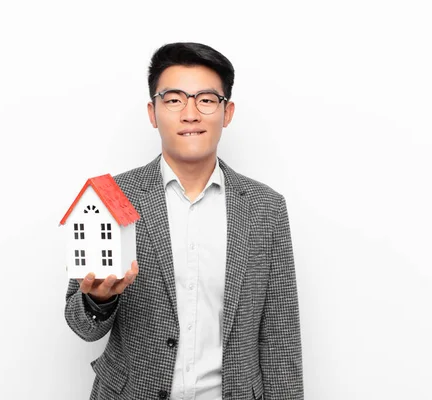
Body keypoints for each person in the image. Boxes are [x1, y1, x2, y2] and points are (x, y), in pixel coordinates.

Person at [64, 42, 303, 400]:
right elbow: (82, 326)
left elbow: (280, 338)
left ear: (227, 112)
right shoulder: (112, 198)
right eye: (174, 99)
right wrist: (98, 302)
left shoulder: (265, 208)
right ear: (153, 111)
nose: (190, 113)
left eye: (206, 99)